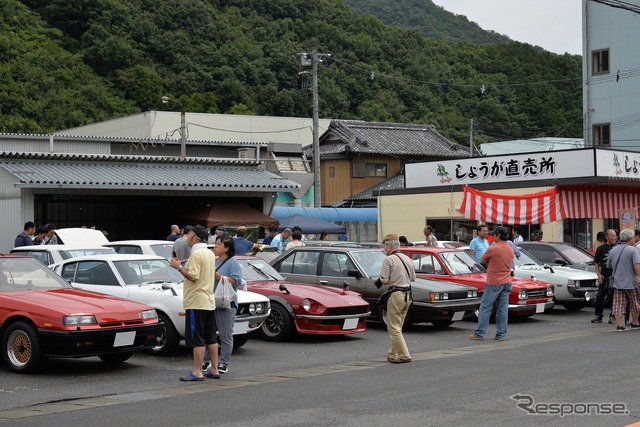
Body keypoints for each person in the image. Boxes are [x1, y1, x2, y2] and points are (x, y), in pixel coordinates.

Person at [169, 225, 220, 381]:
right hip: (208, 300)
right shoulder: (209, 253)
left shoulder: (196, 254)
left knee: (197, 338)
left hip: (196, 301)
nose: (186, 237)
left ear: (195, 237)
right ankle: (215, 369)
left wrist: (178, 267)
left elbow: (193, 276)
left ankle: (197, 371)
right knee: (211, 337)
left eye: (189, 234)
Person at [203, 236, 241, 374]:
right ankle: (206, 361)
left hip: (227, 304)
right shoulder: (213, 261)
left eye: (218, 244)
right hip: (212, 302)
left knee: (225, 335)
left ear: (227, 248)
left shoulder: (232, 263)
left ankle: (223, 362)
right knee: (209, 334)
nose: (215, 246)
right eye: (215, 244)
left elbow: (236, 281)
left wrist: (220, 278)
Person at [376, 233, 416, 364]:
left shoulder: (389, 260)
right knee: (398, 326)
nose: (384, 249)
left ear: (389, 245)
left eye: (385, 246)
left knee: (393, 328)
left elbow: (386, 280)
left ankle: (405, 355)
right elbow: (413, 278)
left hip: (396, 294)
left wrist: (381, 279)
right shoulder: (407, 259)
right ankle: (392, 354)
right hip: (408, 295)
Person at [470, 226, 514, 341]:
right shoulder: (510, 248)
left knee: (485, 307)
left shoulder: (493, 248)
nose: (492, 236)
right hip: (507, 281)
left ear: (498, 235)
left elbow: (482, 260)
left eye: (494, 234)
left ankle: (480, 333)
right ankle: (501, 334)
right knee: (503, 309)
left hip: (494, 281)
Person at [606, 228, 640, 331]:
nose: (634, 239)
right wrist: (639, 276)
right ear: (629, 239)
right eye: (633, 237)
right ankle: (634, 322)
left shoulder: (613, 250)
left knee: (618, 304)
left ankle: (620, 325)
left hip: (618, 282)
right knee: (635, 303)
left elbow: (609, 265)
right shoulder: (633, 250)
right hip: (631, 282)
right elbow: (636, 265)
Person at [592, 229, 618, 324]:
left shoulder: (618, 247)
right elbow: (596, 263)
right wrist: (598, 275)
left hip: (615, 277)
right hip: (604, 276)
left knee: (614, 297)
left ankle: (613, 316)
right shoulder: (601, 248)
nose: (613, 238)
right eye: (611, 236)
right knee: (600, 296)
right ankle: (598, 315)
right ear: (606, 237)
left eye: (615, 236)